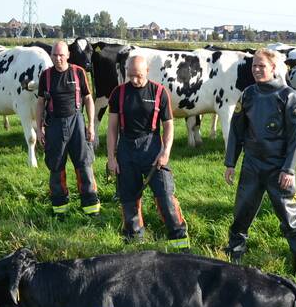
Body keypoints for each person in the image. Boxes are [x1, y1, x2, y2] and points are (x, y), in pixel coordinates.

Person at [224, 48, 296, 276]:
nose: (257, 70)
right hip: (252, 165)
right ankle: (234, 257)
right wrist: (230, 162)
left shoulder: (290, 97)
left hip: (278, 168)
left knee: (290, 219)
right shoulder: (248, 94)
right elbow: (236, 130)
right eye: (254, 66)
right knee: (241, 213)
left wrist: (288, 168)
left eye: (262, 66)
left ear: (273, 68)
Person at [106, 55, 188, 248]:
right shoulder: (118, 93)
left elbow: (168, 125)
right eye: (130, 75)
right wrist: (111, 158)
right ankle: (135, 240)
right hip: (126, 147)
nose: (134, 80)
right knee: (129, 198)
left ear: (147, 72)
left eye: (139, 76)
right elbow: (111, 128)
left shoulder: (159, 92)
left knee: (165, 194)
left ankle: (179, 240)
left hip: (152, 146)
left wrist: (165, 151)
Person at [35, 41, 100, 217]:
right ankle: (60, 208)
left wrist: (91, 125)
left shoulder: (78, 72)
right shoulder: (46, 76)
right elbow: (40, 102)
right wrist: (39, 127)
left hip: (77, 122)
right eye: (55, 55)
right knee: (56, 166)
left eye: (61, 55)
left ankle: (90, 207)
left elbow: (88, 98)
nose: (58, 59)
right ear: (51, 56)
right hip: (54, 124)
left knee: (84, 164)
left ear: (68, 55)